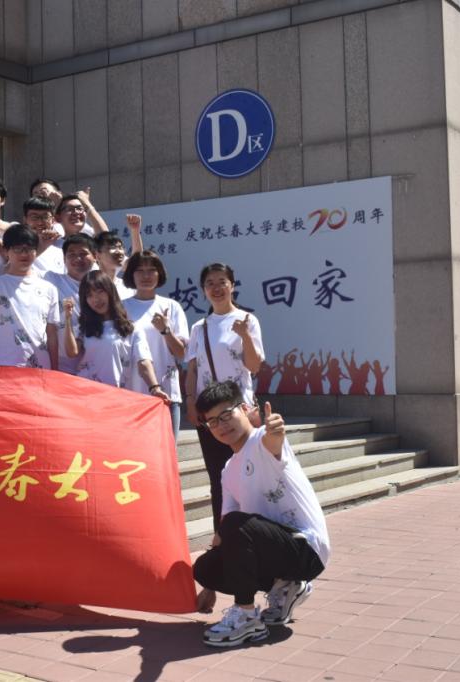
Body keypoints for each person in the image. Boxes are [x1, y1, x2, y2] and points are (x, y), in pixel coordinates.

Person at [193, 380, 329, 648]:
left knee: (236, 525)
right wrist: (209, 586)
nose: (221, 426)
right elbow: (224, 531)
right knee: (205, 566)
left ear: (244, 409)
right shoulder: (228, 470)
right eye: (212, 422)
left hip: (306, 550)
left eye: (226, 415)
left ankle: (246, 617)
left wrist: (275, 430)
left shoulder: (261, 442)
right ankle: (285, 587)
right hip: (275, 548)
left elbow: (273, 442)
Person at [185, 262, 265, 533]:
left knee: (250, 472)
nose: (216, 288)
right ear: (203, 289)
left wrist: (245, 336)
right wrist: (190, 401)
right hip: (211, 415)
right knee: (218, 476)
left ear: (232, 285)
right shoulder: (200, 327)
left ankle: (254, 532)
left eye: (222, 282)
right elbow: (193, 369)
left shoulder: (247, 320)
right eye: (210, 283)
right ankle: (222, 536)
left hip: (240, 411)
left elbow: (254, 366)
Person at [62, 271, 169, 400]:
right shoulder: (83, 328)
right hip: (86, 395)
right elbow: (72, 352)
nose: (96, 299)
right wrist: (67, 319)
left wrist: (155, 388)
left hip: (118, 397)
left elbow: (144, 362)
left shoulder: (131, 329)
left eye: (100, 292)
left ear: (110, 292)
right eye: (89, 295)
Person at [122, 237, 189, 437]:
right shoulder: (121, 307)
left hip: (166, 393)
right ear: (131, 275)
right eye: (140, 270)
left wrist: (165, 330)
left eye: (152, 270)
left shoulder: (171, 306)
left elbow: (182, 354)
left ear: (160, 274)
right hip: (131, 393)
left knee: (167, 452)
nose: (146, 276)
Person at [0, 225, 60, 370]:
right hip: (2, 366)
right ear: (6, 251)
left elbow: (52, 335)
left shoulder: (49, 289)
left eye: (29, 248)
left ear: (36, 251)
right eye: (17, 249)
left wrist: (55, 370)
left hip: (41, 368)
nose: (24, 254)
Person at [44, 233, 97, 374]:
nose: (77, 259)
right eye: (71, 254)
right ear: (64, 259)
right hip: (58, 364)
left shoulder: (102, 286)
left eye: (83, 254)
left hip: (92, 366)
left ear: (95, 256)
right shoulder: (51, 279)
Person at [94, 231, 134, 299]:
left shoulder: (128, 288)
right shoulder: (90, 286)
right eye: (112, 247)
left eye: (120, 247)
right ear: (97, 255)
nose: (119, 252)